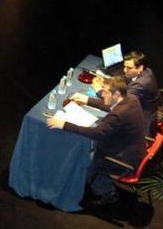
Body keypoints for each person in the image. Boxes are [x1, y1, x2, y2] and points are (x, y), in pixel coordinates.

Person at [48, 76, 147, 206]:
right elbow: (111, 106)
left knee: (90, 157)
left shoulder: (118, 114)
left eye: (105, 92)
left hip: (122, 161)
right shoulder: (131, 100)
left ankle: (106, 192)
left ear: (117, 94)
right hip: (135, 151)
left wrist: (64, 125)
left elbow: (97, 133)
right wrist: (87, 100)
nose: (102, 94)